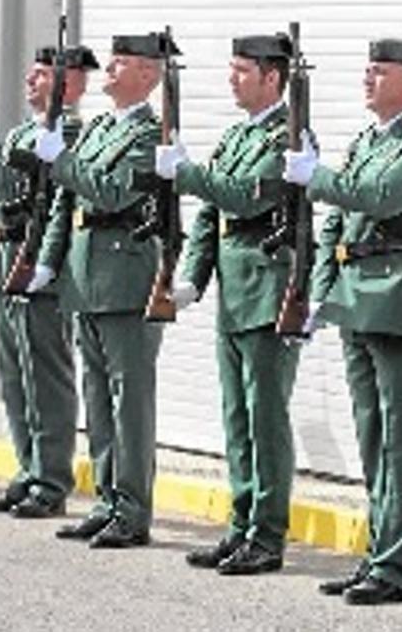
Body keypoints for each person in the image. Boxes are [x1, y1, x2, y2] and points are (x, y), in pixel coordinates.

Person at [283, 38, 402, 605]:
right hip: (357, 297)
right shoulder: (367, 141)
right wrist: (317, 293)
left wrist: (316, 176)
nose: (367, 79)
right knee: (373, 436)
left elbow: (381, 198)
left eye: (379, 71)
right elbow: (337, 222)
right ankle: (379, 554)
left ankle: (399, 566)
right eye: (367, 69)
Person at [153, 33, 301, 575]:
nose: (232, 79)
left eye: (242, 70)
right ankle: (241, 526)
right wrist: (191, 277)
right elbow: (212, 220)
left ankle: (267, 533)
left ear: (272, 77)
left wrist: (188, 173)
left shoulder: (289, 136)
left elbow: (242, 196)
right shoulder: (238, 135)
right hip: (234, 297)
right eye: (232, 69)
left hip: (266, 293)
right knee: (237, 419)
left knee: (265, 419)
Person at [30, 32, 173, 548]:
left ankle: (133, 510)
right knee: (97, 396)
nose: (108, 71)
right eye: (110, 63)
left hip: (126, 277)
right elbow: (67, 207)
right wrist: (48, 263)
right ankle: (108, 500)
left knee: (128, 399)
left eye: (121, 63)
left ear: (149, 75)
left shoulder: (152, 134)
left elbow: (113, 192)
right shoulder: (94, 131)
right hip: (84, 275)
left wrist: (61, 160)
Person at [0, 45, 98, 518]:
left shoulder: (73, 136)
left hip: (41, 264)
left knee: (46, 375)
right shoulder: (24, 130)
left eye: (43, 74)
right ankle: (27, 468)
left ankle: (51, 479)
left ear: (73, 85)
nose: (30, 80)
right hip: (8, 257)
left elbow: (14, 185)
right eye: (33, 71)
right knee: (14, 374)